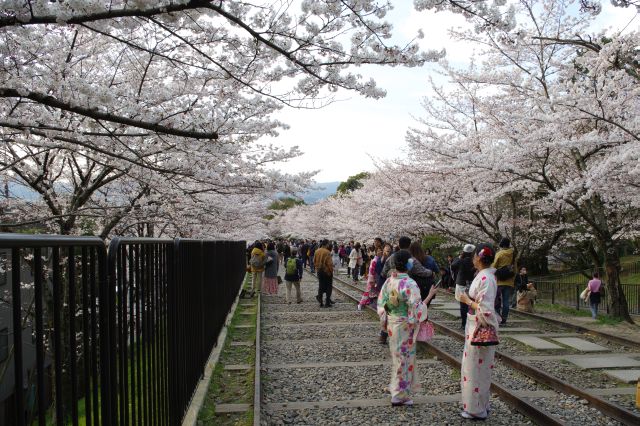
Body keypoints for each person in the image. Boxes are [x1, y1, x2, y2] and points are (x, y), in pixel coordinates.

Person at [377, 249, 436, 406]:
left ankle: (396, 389)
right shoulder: (409, 283)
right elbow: (417, 309)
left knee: (398, 358)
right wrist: (429, 296)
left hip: (392, 323)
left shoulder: (389, 281)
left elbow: (381, 304)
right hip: (405, 326)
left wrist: (387, 317)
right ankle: (399, 395)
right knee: (404, 359)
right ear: (409, 264)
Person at [457, 244, 499, 420]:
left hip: (479, 327)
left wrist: (467, 300)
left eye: (474, 256)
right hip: (474, 326)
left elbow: (485, 311)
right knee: (479, 368)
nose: (472, 258)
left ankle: (476, 409)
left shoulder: (485, 279)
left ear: (479, 258)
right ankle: (481, 405)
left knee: (475, 368)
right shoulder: (486, 276)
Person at [379, 236, 412, 344]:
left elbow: (383, 272)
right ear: (409, 245)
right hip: (405, 286)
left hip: (391, 285)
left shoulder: (392, 256)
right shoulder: (410, 257)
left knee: (389, 309)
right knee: (403, 310)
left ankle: (384, 333)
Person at [451, 244, 476, 329]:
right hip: (472, 284)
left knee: (463, 305)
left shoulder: (461, 260)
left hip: (461, 284)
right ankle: (472, 321)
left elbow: (453, 266)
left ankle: (464, 323)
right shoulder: (475, 261)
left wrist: (459, 257)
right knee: (472, 304)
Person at [492, 237, 515, 325]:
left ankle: (498, 318)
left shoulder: (499, 254)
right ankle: (504, 319)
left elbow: (494, 265)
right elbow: (515, 268)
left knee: (497, 300)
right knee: (506, 301)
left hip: (499, 280)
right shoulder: (513, 254)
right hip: (509, 281)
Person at [314, 240, 335, 307]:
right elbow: (329, 264)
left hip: (319, 271)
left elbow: (314, 261)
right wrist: (331, 271)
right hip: (327, 272)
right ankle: (327, 302)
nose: (329, 245)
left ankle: (320, 301)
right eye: (328, 244)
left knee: (321, 286)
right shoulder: (327, 252)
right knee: (329, 287)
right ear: (326, 244)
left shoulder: (317, 251)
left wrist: (317, 268)